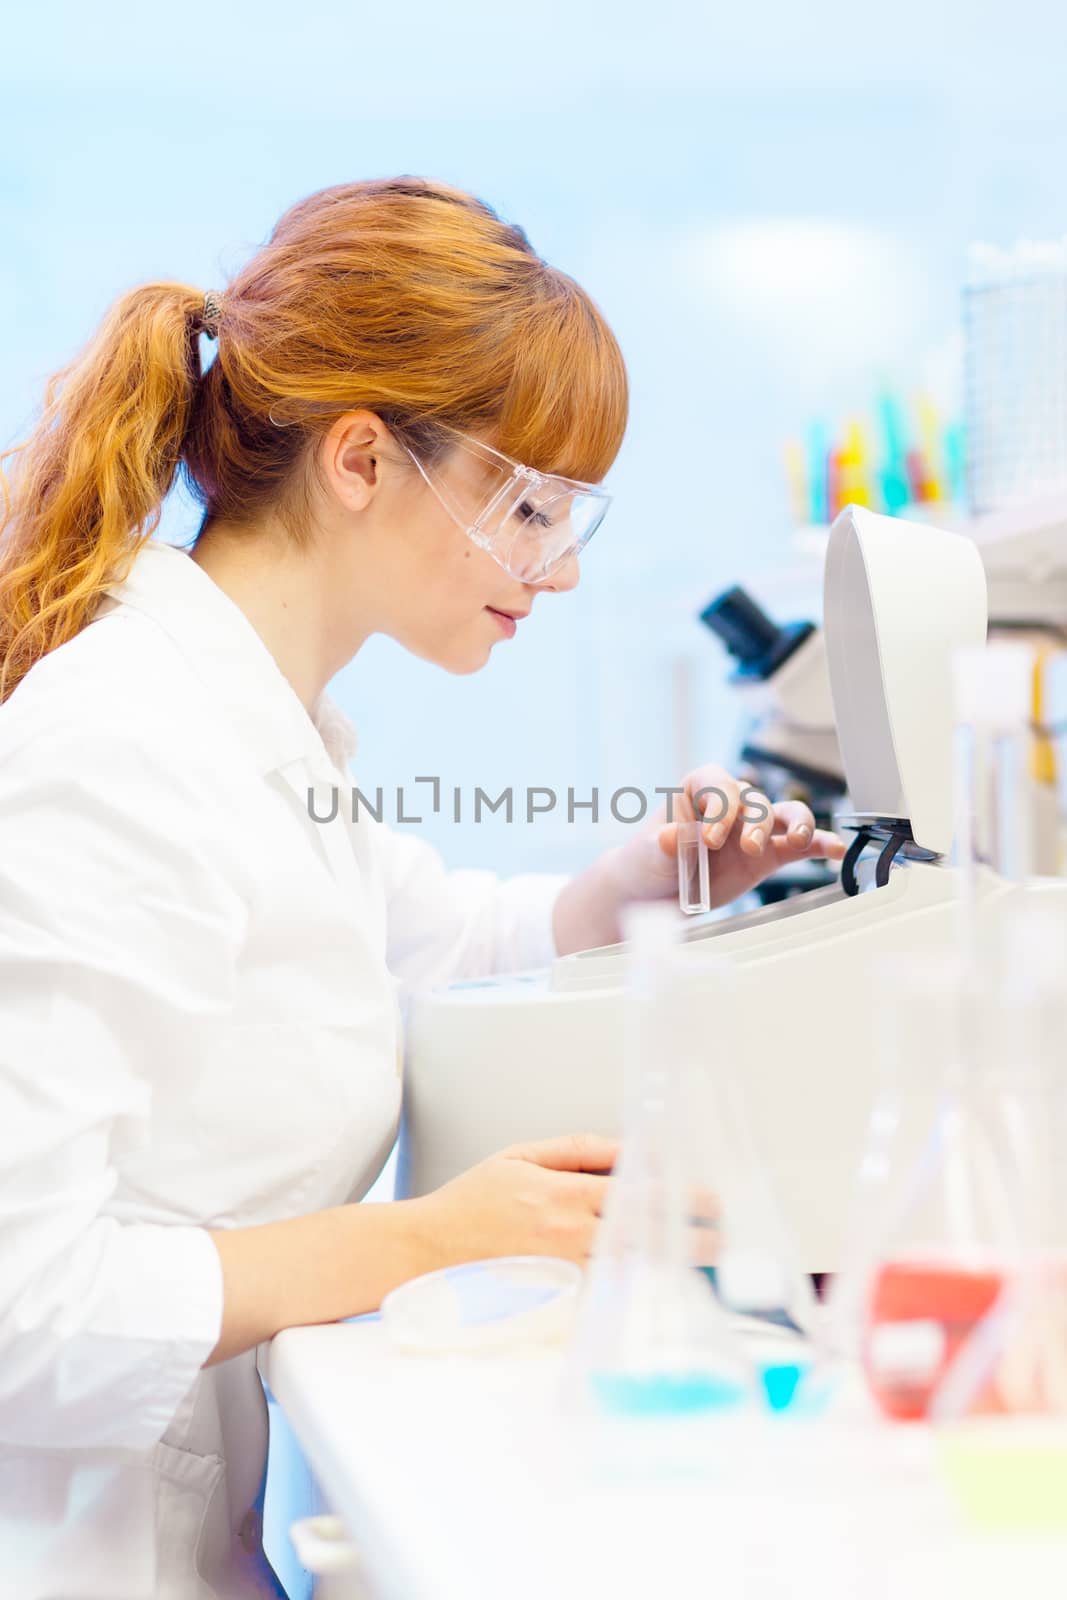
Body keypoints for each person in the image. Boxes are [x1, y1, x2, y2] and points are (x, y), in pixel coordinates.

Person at [0, 176, 845, 1598]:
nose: (559, 570)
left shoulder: (256, 725)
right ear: (359, 461)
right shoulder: (120, 750)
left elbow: (423, 943)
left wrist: (651, 877)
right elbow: (23, 1308)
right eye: (527, 507)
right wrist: (437, 1240)